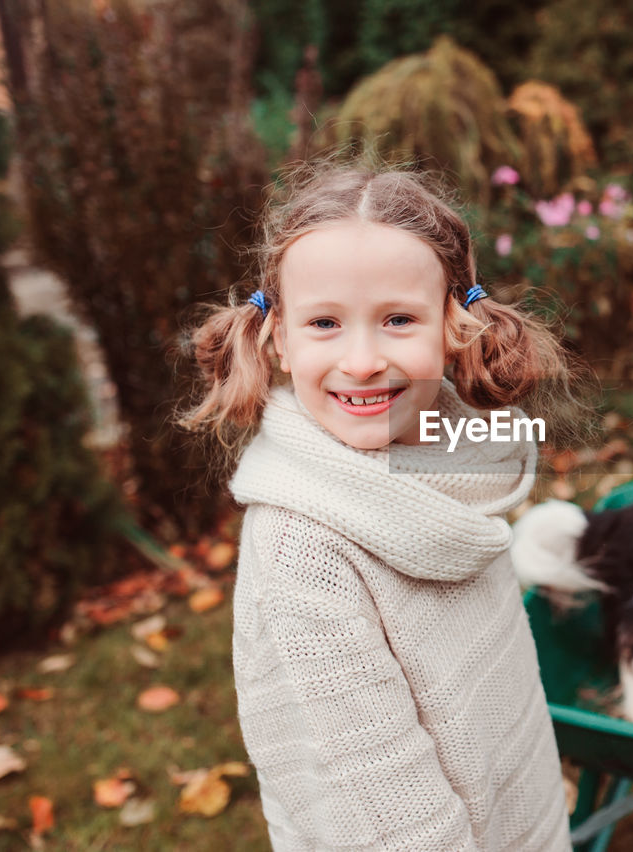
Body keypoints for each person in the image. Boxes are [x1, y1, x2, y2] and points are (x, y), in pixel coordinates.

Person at [180, 159, 576, 850]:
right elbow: (392, 818)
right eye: (325, 323)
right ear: (279, 338)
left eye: (398, 319)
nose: (362, 360)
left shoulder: (454, 475)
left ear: (454, 323)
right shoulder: (305, 553)